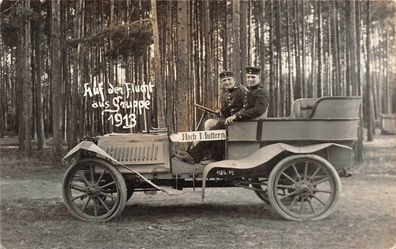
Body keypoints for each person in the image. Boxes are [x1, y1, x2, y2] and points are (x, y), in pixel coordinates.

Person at [175, 71, 246, 164]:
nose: (227, 82)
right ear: (221, 83)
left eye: (229, 79)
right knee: (209, 123)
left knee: (217, 127)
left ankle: (207, 156)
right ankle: (202, 154)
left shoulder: (242, 90)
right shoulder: (225, 94)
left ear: (234, 80)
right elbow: (226, 111)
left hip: (241, 122)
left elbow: (247, 108)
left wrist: (235, 116)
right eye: (224, 80)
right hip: (230, 121)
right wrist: (220, 111)